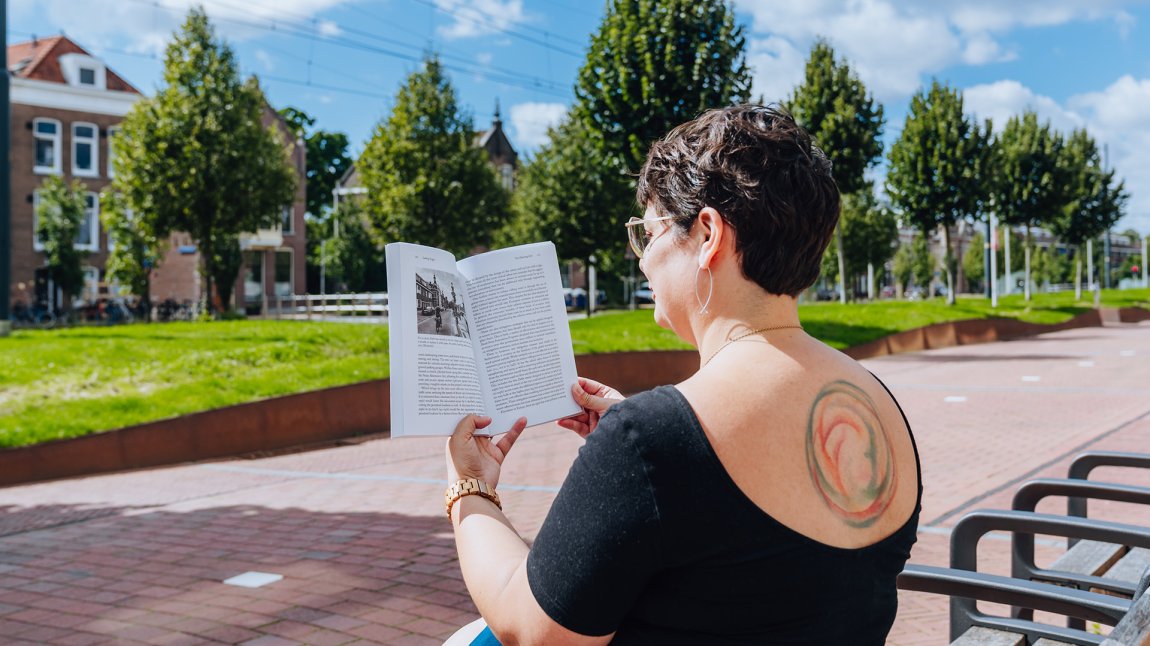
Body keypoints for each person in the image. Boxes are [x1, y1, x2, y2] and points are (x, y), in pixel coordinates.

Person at [443, 104, 921, 645]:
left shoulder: (649, 443)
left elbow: (531, 630)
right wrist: (647, 455)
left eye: (648, 235)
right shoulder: (881, 406)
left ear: (709, 234)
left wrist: (471, 487)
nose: (643, 261)